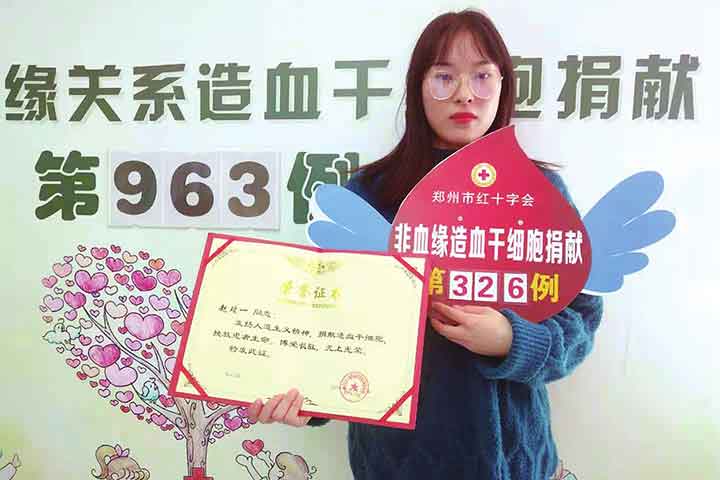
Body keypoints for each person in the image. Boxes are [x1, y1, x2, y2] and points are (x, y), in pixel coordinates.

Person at [247, 8, 604, 480]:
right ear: (418, 87)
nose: (464, 93)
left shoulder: (538, 192)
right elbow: (326, 325)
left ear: (503, 84)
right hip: (399, 463)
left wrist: (513, 340)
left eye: (482, 76)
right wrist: (305, 398)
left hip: (515, 461)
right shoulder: (369, 194)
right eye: (444, 76)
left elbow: (580, 318)